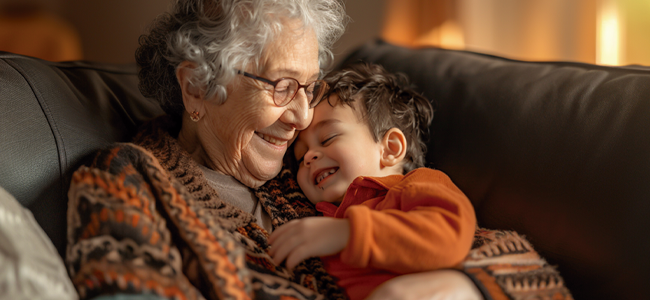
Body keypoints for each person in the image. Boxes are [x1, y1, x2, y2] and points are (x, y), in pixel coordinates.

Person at [65, 0, 568, 300]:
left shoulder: (313, 179)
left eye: (310, 88)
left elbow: (528, 271)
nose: (303, 118)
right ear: (197, 88)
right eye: (282, 86)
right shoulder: (128, 181)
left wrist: (456, 289)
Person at [268, 63, 477, 300]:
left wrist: (348, 232)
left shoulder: (416, 185)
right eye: (300, 155)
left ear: (390, 148)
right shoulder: (314, 214)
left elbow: (450, 234)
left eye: (328, 138)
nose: (308, 156)